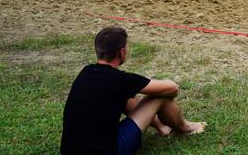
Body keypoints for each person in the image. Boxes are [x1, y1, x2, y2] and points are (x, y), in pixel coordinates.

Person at [60, 26, 205, 155]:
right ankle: (185, 128)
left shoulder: (85, 72)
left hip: (69, 151)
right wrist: (150, 83)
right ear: (122, 52)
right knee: (160, 96)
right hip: (109, 151)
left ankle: (162, 127)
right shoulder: (121, 80)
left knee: (124, 97)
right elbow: (172, 88)